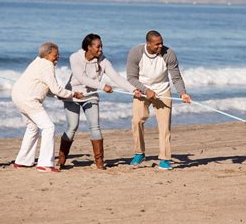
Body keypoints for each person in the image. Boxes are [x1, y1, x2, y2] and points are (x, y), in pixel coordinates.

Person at [58, 33, 140, 170]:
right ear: (88, 47)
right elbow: (82, 78)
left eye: (101, 46)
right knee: (72, 126)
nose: (100, 49)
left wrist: (133, 90)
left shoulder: (103, 61)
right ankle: (61, 160)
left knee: (95, 126)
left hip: (91, 96)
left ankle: (99, 162)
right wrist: (103, 86)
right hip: (73, 95)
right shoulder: (75, 57)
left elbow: (116, 77)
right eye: (97, 47)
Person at [11, 42, 83, 173]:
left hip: (18, 96)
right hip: (29, 100)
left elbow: (47, 87)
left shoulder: (38, 62)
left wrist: (61, 96)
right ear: (47, 54)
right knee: (49, 127)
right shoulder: (47, 65)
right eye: (55, 55)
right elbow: (55, 88)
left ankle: (23, 161)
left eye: (58, 55)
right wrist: (73, 94)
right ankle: (45, 164)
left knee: (32, 127)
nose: (57, 58)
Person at [126, 30, 192, 170]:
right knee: (137, 121)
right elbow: (131, 77)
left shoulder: (169, 54)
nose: (160, 46)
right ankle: (139, 153)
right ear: (148, 43)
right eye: (157, 44)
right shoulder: (136, 52)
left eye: (161, 43)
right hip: (142, 91)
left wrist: (182, 93)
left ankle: (165, 158)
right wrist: (145, 91)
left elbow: (176, 77)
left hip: (162, 91)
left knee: (164, 126)